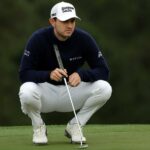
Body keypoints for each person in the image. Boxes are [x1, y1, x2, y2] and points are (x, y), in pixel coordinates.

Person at [18, 1, 112, 145]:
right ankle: (38, 127)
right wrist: (48, 75)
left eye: (72, 20)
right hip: (44, 94)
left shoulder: (83, 39)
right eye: (64, 21)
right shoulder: (38, 39)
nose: (70, 25)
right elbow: (24, 74)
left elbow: (103, 71)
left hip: (72, 92)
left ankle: (75, 125)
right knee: (26, 91)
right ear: (52, 21)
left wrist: (82, 75)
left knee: (105, 88)